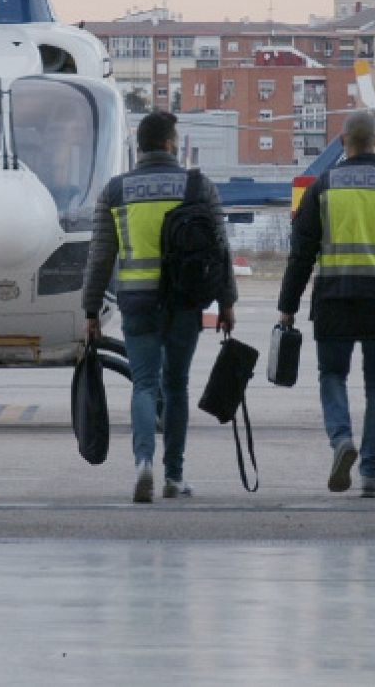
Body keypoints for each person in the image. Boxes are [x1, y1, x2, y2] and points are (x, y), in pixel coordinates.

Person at [276, 112, 375, 498]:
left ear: (342, 141)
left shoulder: (324, 186)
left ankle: (342, 439)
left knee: (332, 376)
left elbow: (301, 255)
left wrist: (288, 306)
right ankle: (371, 472)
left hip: (335, 297)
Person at [82, 111, 237, 502]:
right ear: (171, 144)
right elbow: (220, 250)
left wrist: (90, 310)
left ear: (141, 146)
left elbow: (100, 258)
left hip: (137, 301)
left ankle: (142, 464)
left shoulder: (116, 191)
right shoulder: (199, 186)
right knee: (177, 385)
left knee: (144, 384)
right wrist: (227, 302)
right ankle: (173, 476)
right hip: (185, 301)